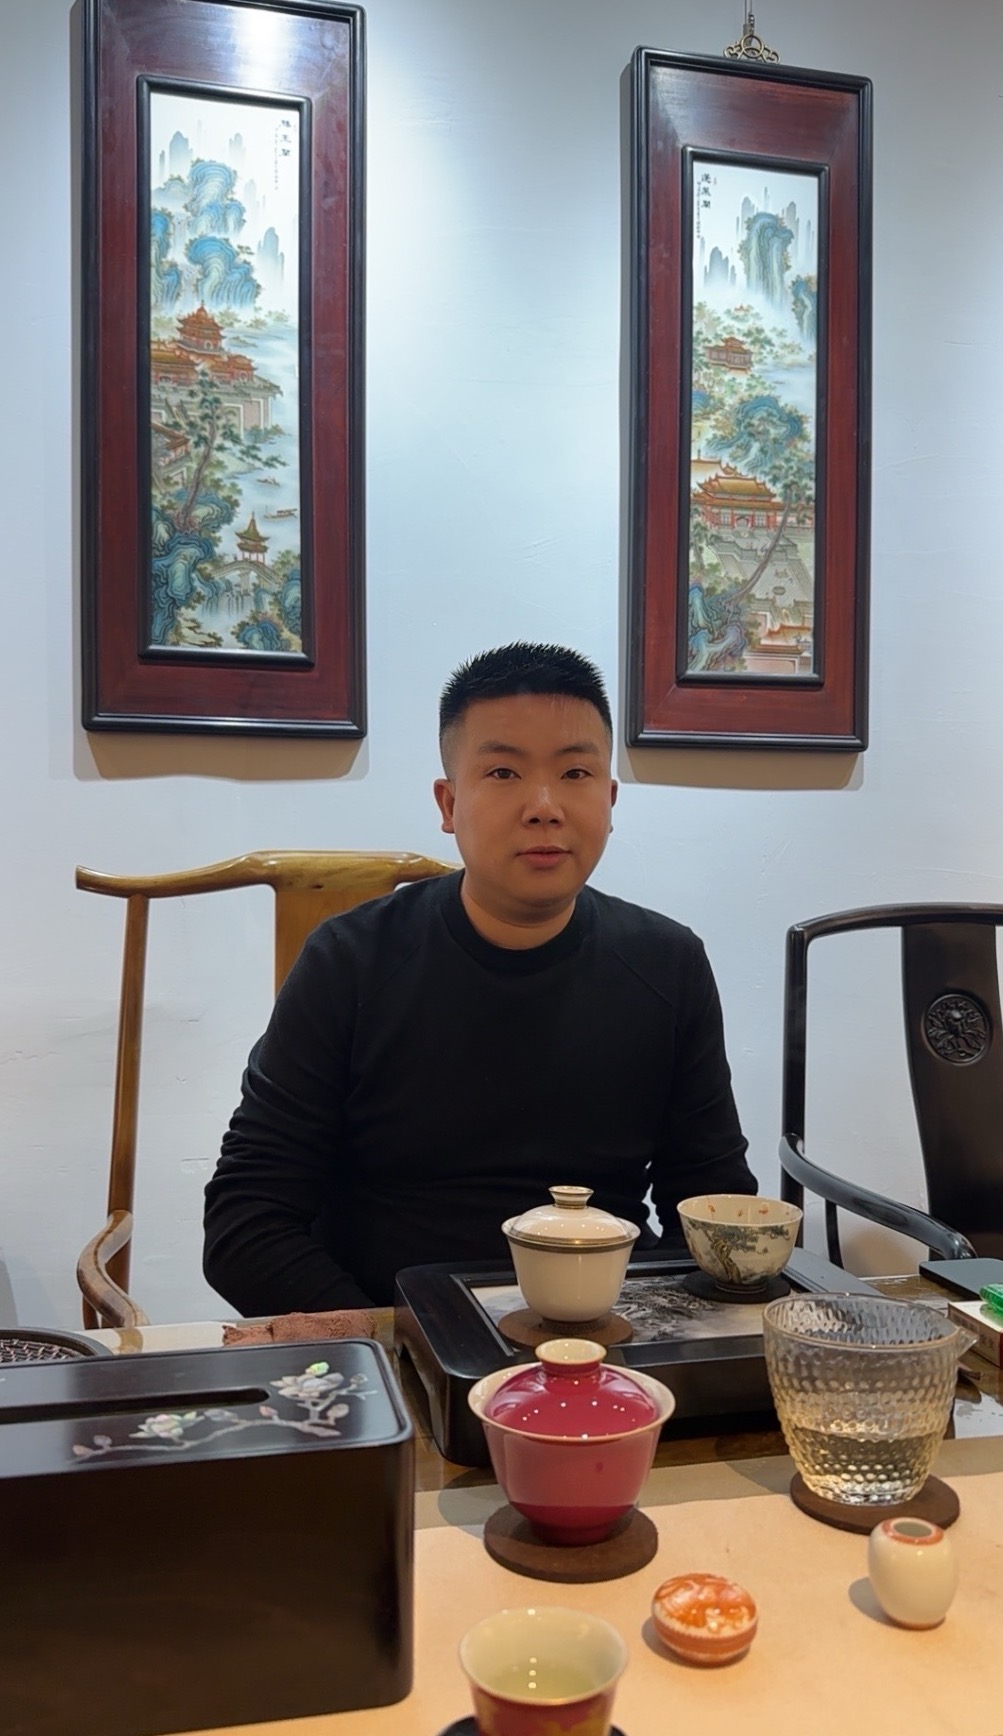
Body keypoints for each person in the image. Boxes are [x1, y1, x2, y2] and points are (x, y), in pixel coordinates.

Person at [203, 642, 755, 1314]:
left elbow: (711, 1206)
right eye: (502, 772)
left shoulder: (668, 963)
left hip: (603, 1334)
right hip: (391, 1329)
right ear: (448, 802)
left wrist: (654, 1328)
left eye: (575, 772)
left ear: (609, 801)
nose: (544, 806)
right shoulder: (350, 961)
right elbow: (246, 1222)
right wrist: (392, 1342)